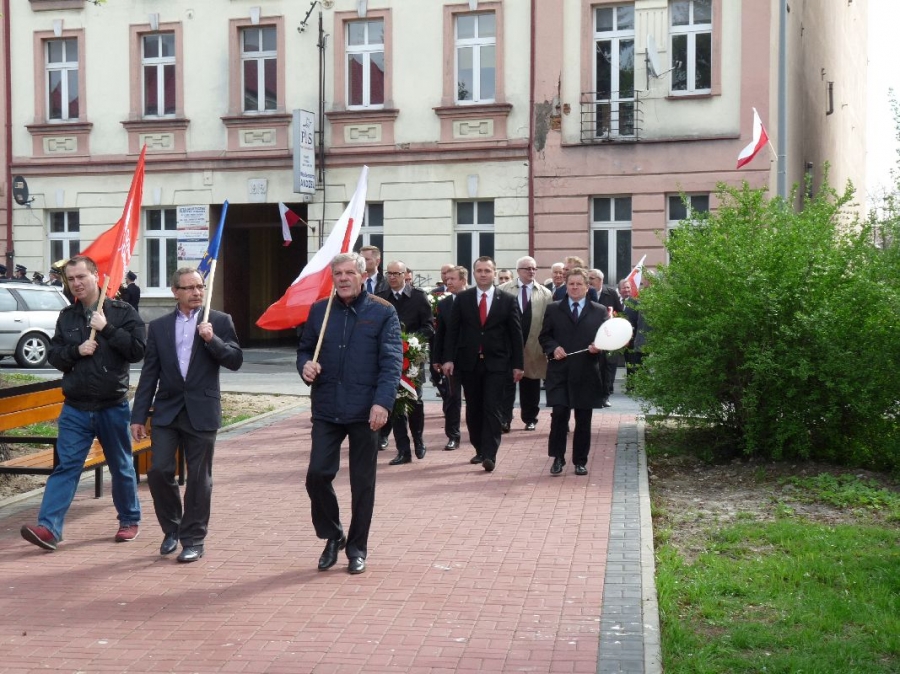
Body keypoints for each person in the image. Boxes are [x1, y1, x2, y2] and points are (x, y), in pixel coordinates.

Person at [20, 255, 146, 551]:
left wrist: (107, 329)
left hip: (111, 405)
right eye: (71, 279)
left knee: (121, 466)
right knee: (66, 467)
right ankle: (49, 528)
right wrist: (77, 350)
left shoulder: (122, 312)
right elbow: (55, 356)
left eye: (81, 277)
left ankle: (129, 520)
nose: (76, 283)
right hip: (75, 407)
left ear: (95, 276)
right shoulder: (67, 316)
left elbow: (138, 350)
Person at [297, 252, 402, 575]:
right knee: (317, 475)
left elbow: (391, 361)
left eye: (349, 273)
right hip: (327, 407)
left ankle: (357, 549)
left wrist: (382, 403)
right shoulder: (320, 310)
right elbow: (305, 349)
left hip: (366, 410)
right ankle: (333, 534)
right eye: (338, 274)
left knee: (362, 484)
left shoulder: (382, 311)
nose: (342, 279)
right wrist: (305, 366)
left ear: (362, 276)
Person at [130, 268, 243, 563]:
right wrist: (138, 416)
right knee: (158, 470)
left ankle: (193, 539)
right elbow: (149, 373)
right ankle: (172, 528)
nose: (196, 292)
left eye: (200, 286)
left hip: (202, 410)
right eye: (189, 288)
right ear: (175, 292)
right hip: (167, 410)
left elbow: (235, 360)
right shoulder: (159, 327)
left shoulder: (219, 321)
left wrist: (212, 339)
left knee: (198, 478)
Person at [442, 256, 524, 472]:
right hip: (468, 362)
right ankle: (479, 448)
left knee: (492, 407)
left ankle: (490, 454)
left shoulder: (507, 300)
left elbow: (516, 334)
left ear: (494, 273)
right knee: (474, 408)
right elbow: (453, 331)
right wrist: (448, 358)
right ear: (474, 273)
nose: (483, 274)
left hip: (497, 363)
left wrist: (518, 364)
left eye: (487, 270)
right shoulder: (463, 298)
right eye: (479, 270)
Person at [539, 268, 609, 477]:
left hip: (586, 373)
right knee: (559, 415)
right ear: (566, 286)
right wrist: (553, 348)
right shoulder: (553, 309)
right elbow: (544, 337)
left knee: (583, 419)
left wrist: (599, 346)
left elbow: (607, 339)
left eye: (579, 284)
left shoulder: (599, 311)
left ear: (587, 287)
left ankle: (580, 461)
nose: (575, 288)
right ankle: (557, 458)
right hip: (560, 373)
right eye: (571, 284)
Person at [377, 260, 435, 465]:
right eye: (389, 273)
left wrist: (412, 342)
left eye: (396, 273)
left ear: (405, 275)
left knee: (414, 401)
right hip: (389, 360)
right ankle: (403, 450)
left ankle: (418, 440)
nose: (392, 277)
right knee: (395, 404)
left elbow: (429, 327)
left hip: (412, 359)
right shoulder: (381, 298)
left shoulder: (418, 297)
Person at [498, 256, 552, 431]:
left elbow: (548, 321)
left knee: (531, 384)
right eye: (527, 268)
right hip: (508, 346)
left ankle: (530, 418)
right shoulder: (503, 289)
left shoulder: (545, 293)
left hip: (534, 345)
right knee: (506, 385)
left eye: (534, 268)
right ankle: (504, 419)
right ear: (518, 271)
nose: (531, 271)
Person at [431, 265, 467, 450]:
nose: (448, 282)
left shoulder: (474, 300)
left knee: (476, 398)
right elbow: (440, 333)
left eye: (453, 279)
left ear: (463, 280)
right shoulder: (444, 304)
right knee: (452, 398)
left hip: (473, 358)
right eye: (447, 279)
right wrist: (437, 358)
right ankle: (453, 435)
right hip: (451, 360)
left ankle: (478, 433)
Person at [588, 269, 624, 397]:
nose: (589, 281)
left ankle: (606, 393)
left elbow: (620, 313)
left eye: (591, 278)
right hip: (590, 335)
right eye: (588, 278)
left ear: (600, 280)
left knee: (608, 365)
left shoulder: (611, 293)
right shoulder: (586, 293)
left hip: (608, 335)